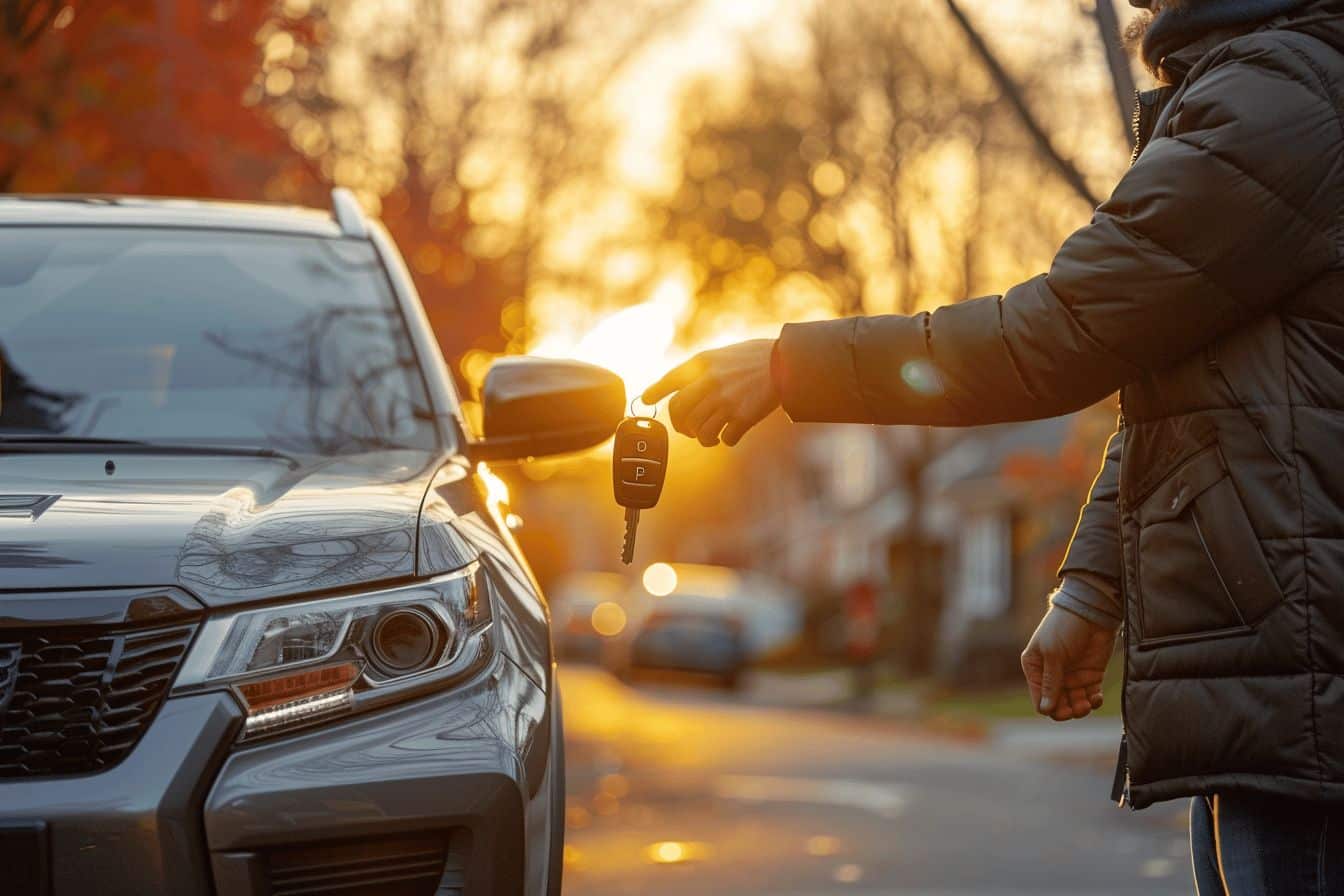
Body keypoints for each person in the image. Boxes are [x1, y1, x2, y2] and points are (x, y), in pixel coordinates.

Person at [642, 0, 1344, 891]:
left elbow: (1055, 334)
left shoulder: (1284, 97)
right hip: (1287, 677)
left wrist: (794, 367)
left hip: (1310, 681)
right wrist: (1093, 584)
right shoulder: (1276, 86)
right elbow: (1191, 400)